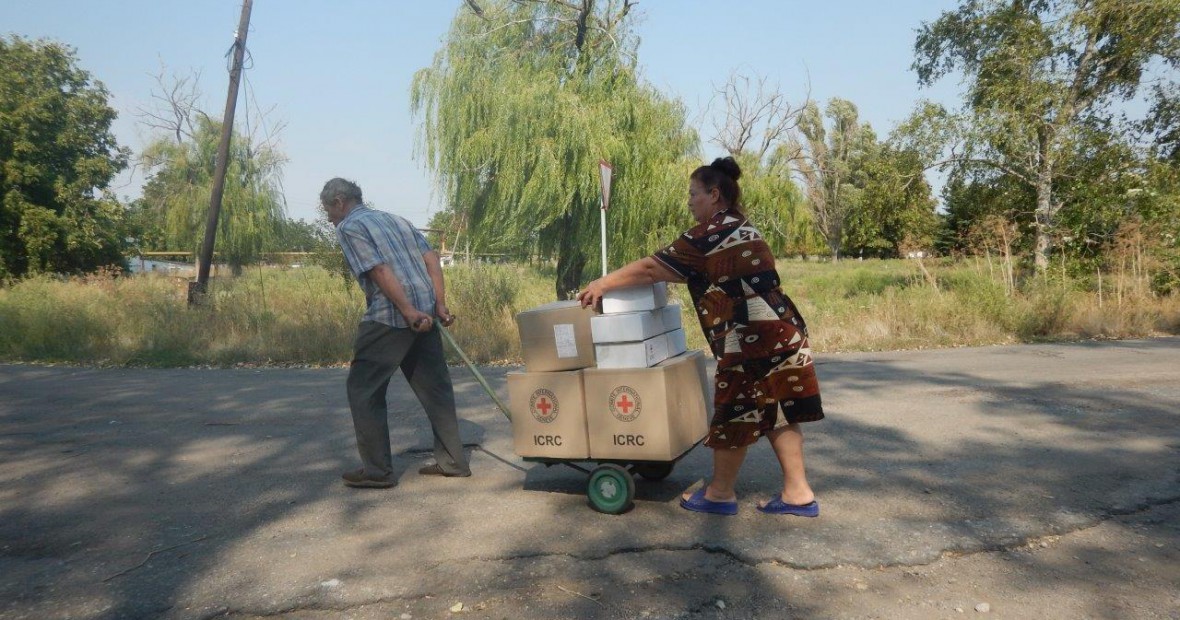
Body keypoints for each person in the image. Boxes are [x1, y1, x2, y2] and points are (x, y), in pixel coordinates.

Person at [577, 157, 823, 516]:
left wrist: (602, 283)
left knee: (735, 411)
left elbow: (651, 269)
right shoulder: (740, 226)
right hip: (783, 331)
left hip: (751, 336)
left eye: (694, 194)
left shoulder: (714, 232)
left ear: (714, 194)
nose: (689, 201)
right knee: (778, 411)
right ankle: (798, 493)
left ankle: (720, 494)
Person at [321, 177, 471, 488]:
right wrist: (438, 304)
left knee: (364, 389)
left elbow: (378, 269)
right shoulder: (397, 220)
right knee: (436, 390)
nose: (328, 218)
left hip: (391, 316)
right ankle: (453, 461)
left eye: (328, 210)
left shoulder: (350, 227)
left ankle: (378, 471)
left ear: (339, 202)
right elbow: (432, 260)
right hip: (425, 312)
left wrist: (407, 310)